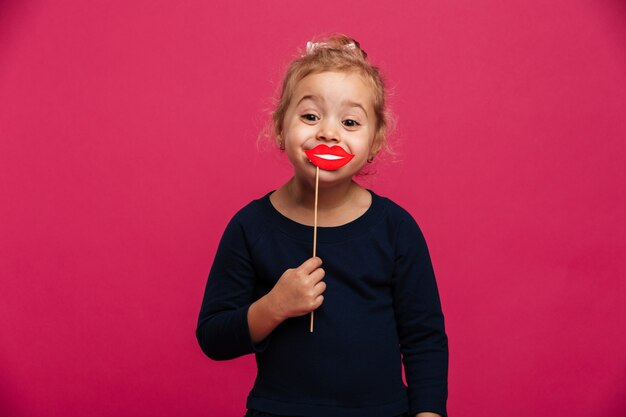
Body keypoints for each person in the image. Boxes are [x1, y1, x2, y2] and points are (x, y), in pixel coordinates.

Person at [196, 34, 448, 417]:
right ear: (280, 127)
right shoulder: (251, 226)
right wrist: (274, 306)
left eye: (350, 121)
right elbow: (213, 337)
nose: (328, 132)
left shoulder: (397, 229)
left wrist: (428, 412)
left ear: (375, 141)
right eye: (311, 116)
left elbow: (423, 338)